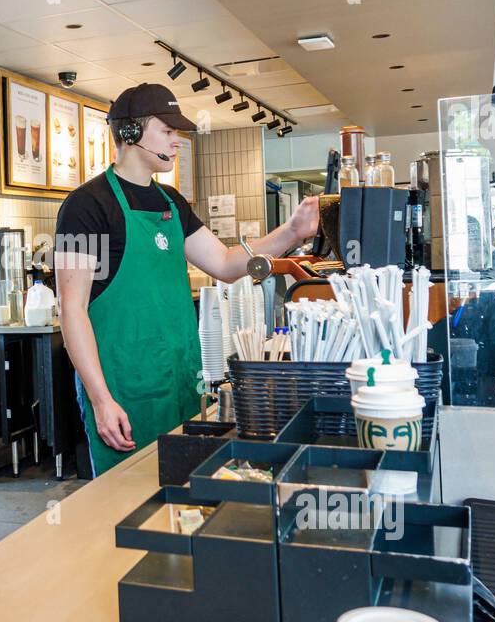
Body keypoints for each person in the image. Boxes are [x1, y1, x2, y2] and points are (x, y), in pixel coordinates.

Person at [55, 83, 319, 477]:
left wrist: (292, 233)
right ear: (130, 133)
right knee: (123, 503)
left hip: (180, 382)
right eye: (168, 131)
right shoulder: (86, 206)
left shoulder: (172, 202)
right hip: (125, 390)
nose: (177, 142)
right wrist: (100, 399)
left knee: (180, 498)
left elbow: (227, 264)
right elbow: (71, 311)